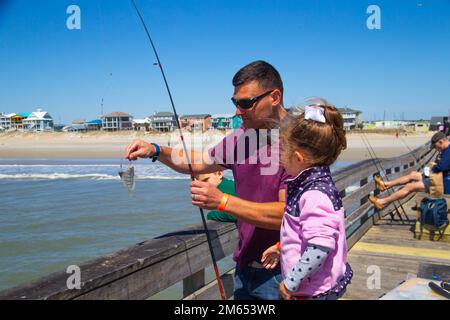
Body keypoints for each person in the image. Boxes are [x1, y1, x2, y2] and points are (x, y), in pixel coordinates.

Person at [125, 60, 289, 300]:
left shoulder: (299, 141)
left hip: (286, 273)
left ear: (274, 97)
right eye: (235, 102)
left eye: (246, 103)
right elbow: (198, 161)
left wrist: (222, 201)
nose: (237, 111)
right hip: (245, 269)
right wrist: (156, 150)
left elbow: (289, 215)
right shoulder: (242, 138)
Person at [260, 100, 352, 300]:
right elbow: (304, 231)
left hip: (313, 292)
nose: (280, 159)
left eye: (283, 151)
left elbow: (320, 246)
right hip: (316, 285)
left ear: (299, 158)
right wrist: (280, 247)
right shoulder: (316, 183)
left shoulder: (313, 194)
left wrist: (291, 282)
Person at [369, 131, 450, 210]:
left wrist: (433, 168)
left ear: (441, 142)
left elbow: (441, 167)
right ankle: (385, 184)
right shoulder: (446, 149)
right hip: (441, 178)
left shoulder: (448, 151)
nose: (436, 149)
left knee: (409, 186)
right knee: (413, 174)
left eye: (435, 146)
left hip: (444, 183)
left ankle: (382, 202)